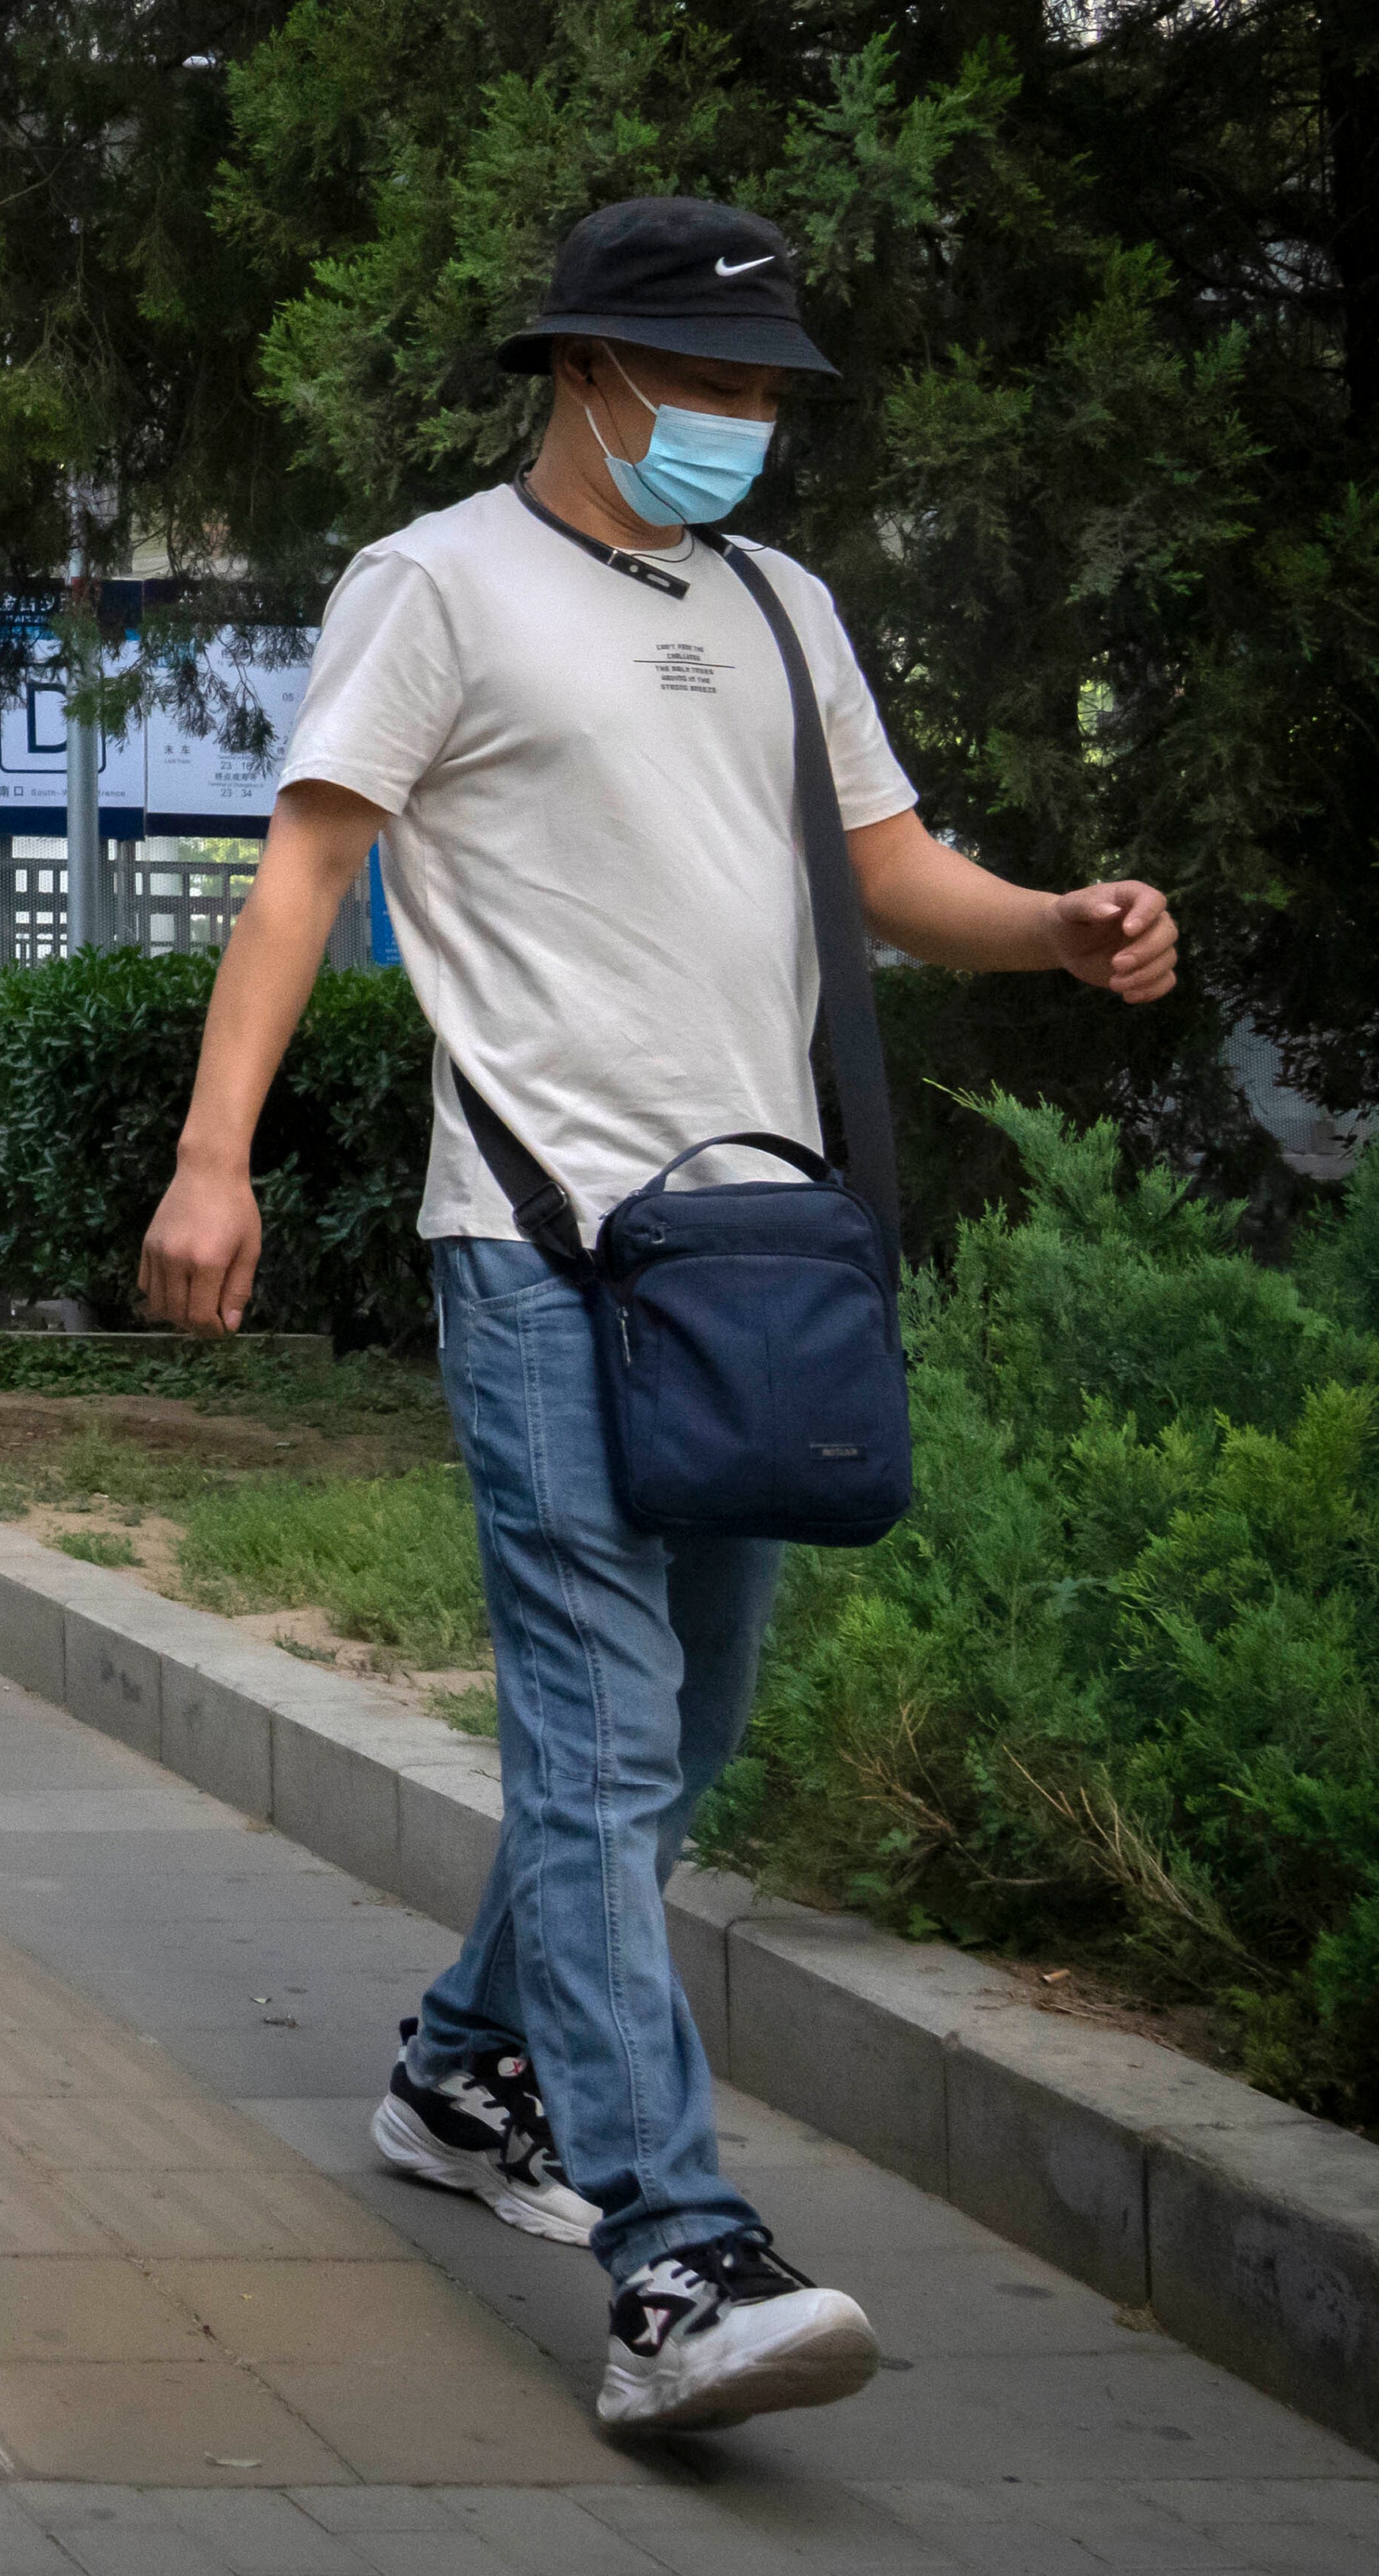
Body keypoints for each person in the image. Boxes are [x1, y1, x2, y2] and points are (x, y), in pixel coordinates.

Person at [135, 195, 1181, 2436]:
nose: (738, 423)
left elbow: (888, 874)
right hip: (536, 1243)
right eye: (703, 383)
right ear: (584, 372)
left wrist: (1056, 932)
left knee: (682, 1741)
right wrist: (214, 1158)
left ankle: (454, 2071)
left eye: (762, 393)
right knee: (603, 1744)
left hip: (758, 1250)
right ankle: (678, 2255)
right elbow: (311, 866)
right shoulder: (436, 584)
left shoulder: (786, 607)